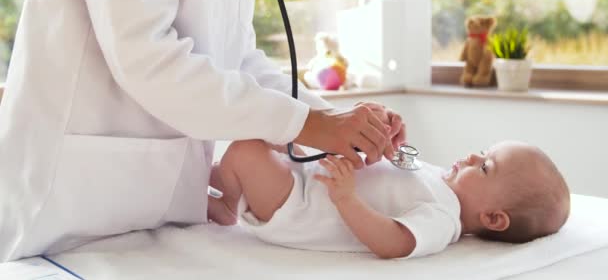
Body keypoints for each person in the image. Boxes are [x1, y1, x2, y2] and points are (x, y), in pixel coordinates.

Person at [0, 0, 405, 261]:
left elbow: (237, 58)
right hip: (62, 205)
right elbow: (145, 56)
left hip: (154, 206)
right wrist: (311, 125)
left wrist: (340, 124)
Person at [208, 140, 571, 259]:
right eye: (481, 152)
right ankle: (216, 184)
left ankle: (227, 207)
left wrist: (347, 198)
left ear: (493, 218)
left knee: (245, 150)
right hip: (307, 178)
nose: (473, 158)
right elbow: (390, 170)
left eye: (487, 167)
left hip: (300, 208)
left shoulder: (444, 218)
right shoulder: (439, 178)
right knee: (270, 130)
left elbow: (393, 242)